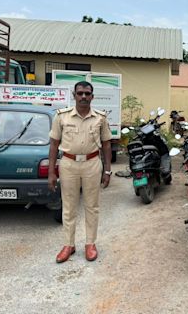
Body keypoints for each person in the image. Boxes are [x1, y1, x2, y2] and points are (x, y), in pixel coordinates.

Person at [48, 81, 112, 263]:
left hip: (92, 163)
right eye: (80, 93)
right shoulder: (62, 117)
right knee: (68, 207)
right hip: (68, 163)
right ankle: (68, 245)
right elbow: (53, 144)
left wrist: (107, 171)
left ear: (92, 96)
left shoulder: (100, 118)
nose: (83, 97)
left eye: (87, 93)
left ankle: (90, 244)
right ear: (74, 95)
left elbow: (107, 144)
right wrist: (51, 172)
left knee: (92, 206)